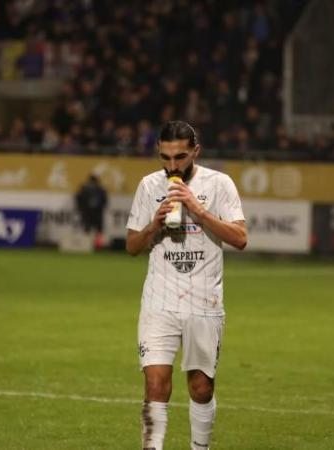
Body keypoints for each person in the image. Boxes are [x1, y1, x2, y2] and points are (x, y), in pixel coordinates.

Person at [126, 120, 247, 450]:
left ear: (196, 151)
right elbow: (133, 246)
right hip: (159, 299)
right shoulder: (149, 186)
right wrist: (154, 224)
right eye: (165, 157)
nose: (172, 166)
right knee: (155, 383)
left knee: (201, 388)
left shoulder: (219, 184)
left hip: (204, 300)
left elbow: (240, 238)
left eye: (179, 157)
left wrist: (198, 210)